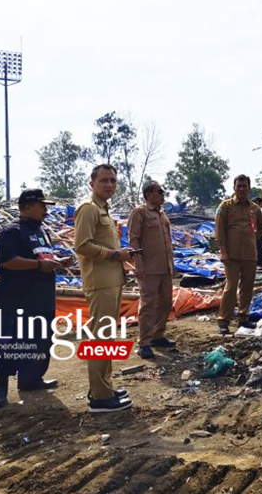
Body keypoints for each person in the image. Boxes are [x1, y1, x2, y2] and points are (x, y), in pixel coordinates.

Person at [0, 189, 71, 409]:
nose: (45, 209)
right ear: (26, 206)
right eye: (41, 205)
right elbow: (6, 261)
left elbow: (43, 255)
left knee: (41, 340)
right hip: (16, 299)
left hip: (41, 297)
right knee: (10, 343)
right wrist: (37, 265)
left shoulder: (42, 231)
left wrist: (58, 261)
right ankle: (1, 389)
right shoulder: (11, 232)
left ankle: (31, 379)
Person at [74, 164, 134, 413]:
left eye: (112, 181)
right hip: (100, 282)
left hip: (112, 280)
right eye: (103, 181)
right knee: (100, 336)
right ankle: (99, 396)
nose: (109, 185)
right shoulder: (88, 209)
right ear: (92, 184)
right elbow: (82, 245)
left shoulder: (103, 209)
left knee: (107, 335)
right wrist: (114, 255)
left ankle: (104, 387)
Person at [127, 181, 175, 361]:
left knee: (165, 302)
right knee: (148, 305)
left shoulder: (162, 215)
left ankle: (157, 336)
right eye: (159, 192)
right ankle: (144, 343)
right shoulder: (140, 213)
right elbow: (134, 240)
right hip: (149, 268)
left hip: (165, 267)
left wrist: (172, 264)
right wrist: (138, 264)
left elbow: (168, 243)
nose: (163, 195)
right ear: (149, 194)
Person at [215, 175, 262, 335]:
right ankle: (224, 320)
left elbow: (261, 228)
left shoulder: (255, 209)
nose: (242, 189)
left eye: (245, 186)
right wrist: (223, 251)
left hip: (250, 254)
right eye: (239, 186)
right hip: (231, 255)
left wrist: (250, 239)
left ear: (249, 188)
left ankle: (243, 317)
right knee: (231, 287)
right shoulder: (225, 207)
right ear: (234, 188)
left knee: (248, 286)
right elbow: (219, 230)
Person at [253, 197, 262, 268]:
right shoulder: (257, 210)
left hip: (257, 233)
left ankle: (258, 263)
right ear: (258, 202)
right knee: (258, 248)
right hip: (255, 233)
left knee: (258, 248)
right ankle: (259, 263)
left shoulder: (257, 210)